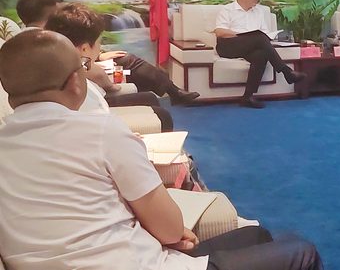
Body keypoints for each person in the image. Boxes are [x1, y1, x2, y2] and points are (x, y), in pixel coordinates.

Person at [0, 30, 323, 270]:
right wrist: (171, 233)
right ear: (75, 81)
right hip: (136, 264)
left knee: (256, 236)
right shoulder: (100, 131)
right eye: (84, 66)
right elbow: (169, 229)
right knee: (301, 252)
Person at [16, 0, 200, 106]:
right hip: (80, 98)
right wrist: (109, 82)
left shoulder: (26, 40)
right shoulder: (47, 42)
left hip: (80, 86)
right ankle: (172, 92)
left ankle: (173, 91)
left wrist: (99, 56)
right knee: (143, 88)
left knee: (125, 58)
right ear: (50, 15)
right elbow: (87, 70)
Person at [44, 3, 175, 132]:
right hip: (95, 125)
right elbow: (95, 123)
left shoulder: (53, 66)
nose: (99, 48)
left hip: (93, 118)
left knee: (151, 100)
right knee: (162, 115)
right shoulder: (76, 81)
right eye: (99, 43)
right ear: (84, 49)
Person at [214, 0, 306, 109]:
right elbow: (219, 32)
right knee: (258, 38)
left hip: (251, 46)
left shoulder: (259, 11)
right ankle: (286, 72)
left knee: (261, 54)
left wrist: (263, 37)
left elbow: (264, 33)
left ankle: (247, 97)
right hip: (228, 46)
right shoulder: (227, 9)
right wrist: (244, 35)